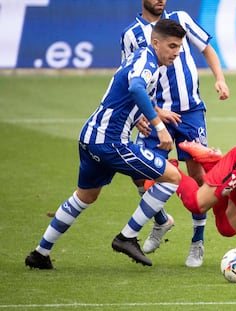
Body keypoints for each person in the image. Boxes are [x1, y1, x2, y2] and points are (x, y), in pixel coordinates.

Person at [24, 19, 187, 269]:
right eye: (172, 46)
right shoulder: (148, 62)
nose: (176, 53)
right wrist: (159, 126)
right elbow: (135, 88)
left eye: (179, 47)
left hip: (90, 137)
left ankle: (40, 253)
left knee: (85, 196)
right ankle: (127, 237)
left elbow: (123, 92)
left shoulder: (141, 56)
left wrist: (138, 117)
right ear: (156, 43)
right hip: (110, 143)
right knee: (172, 176)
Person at [120, 0, 230, 267]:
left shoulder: (180, 18)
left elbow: (206, 48)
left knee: (198, 176)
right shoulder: (131, 35)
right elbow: (128, 78)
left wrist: (219, 78)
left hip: (191, 112)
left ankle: (197, 241)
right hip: (156, 115)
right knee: (139, 174)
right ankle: (161, 221)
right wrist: (146, 115)